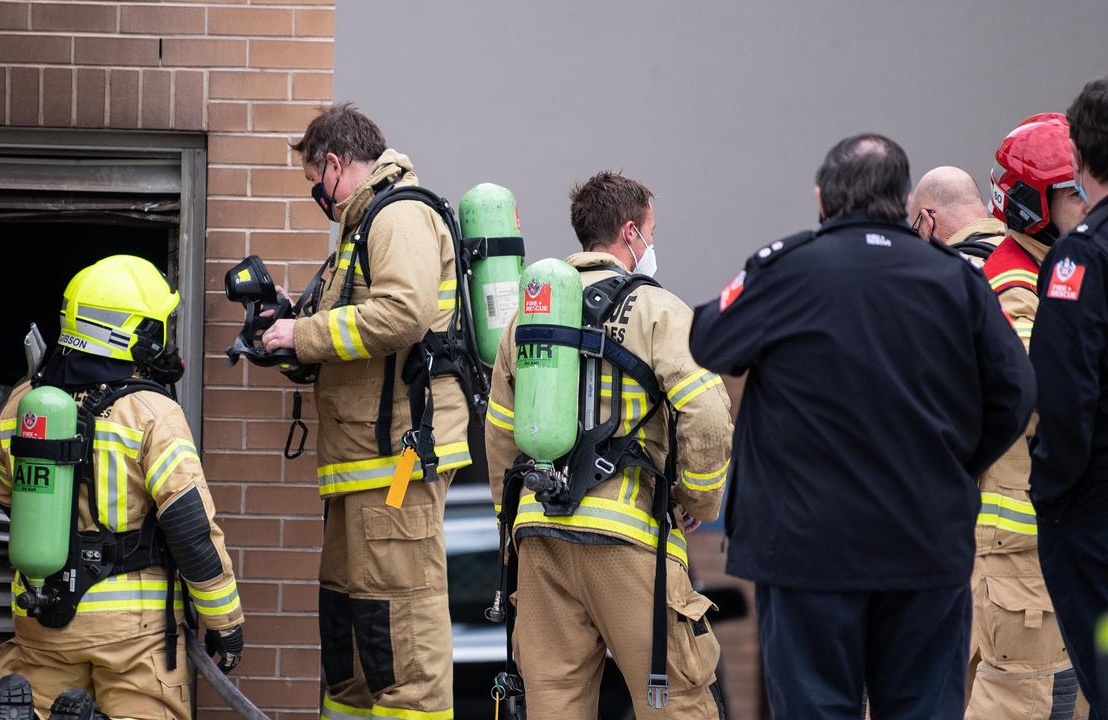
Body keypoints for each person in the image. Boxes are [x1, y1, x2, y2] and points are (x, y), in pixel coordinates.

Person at [689, 134, 1036, 719]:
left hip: (807, 552)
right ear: (902, 201)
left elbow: (709, 339)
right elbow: (1017, 390)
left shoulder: (786, 269)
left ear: (823, 199)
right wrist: (959, 464)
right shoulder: (956, 280)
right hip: (926, 545)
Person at [484, 171, 733, 719]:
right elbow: (709, 415)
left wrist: (513, 531)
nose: (652, 244)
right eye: (650, 231)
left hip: (541, 538)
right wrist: (697, 500)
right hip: (627, 540)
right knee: (676, 702)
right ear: (630, 232)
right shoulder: (658, 311)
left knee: (554, 704)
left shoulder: (531, 313)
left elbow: (500, 434)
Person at [262, 103, 468, 720]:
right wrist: (288, 327)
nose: (316, 198)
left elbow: (401, 315)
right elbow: (347, 339)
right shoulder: (360, 230)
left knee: (402, 635)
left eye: (312, 183)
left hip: (395, 458)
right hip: (361, 462)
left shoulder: (399, 214)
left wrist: (302, 335)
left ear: (334, 163)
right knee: (352, 638)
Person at [0, 255, 244, 720]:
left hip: (40, 617)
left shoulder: (23, 403)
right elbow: (191, 531)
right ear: (136, 333)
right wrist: (224, 620)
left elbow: (7, 495)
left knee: (36, 705)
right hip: (132, 633)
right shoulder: (151, 412)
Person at [967, 112, 1090, 720]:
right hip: (1022, 541)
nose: (1090, 200)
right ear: (1032, 203)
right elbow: (1043, 401)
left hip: (1039, 535)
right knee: (1029, 699)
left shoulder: (1051, 266)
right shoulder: (1020, 287)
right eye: (1075, 191)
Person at [1029, 76, 1108, 718]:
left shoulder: (1079, 260)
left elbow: (1065, 396)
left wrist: (1051, 496)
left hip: (1094, 520)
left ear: (1079, 160)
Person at [909, 165, 1008, 264]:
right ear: (983, 209)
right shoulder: (1020, 254)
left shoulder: (947, 274)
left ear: (927, 223)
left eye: (917, 231)